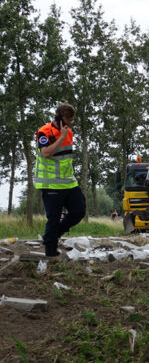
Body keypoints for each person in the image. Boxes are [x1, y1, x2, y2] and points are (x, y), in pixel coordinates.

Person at [35, 103, 86, 257]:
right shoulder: (44, 131)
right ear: (59, 117)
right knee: (53, 217)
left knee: (79, 210)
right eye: (68, 119)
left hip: (69, 182)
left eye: (72, 120)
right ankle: (50, 251)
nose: (70, 123)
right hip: (51, 184)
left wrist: (65, 134)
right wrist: (61, 137)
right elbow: (46, 153)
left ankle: (54, 233)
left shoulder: (69, 132)